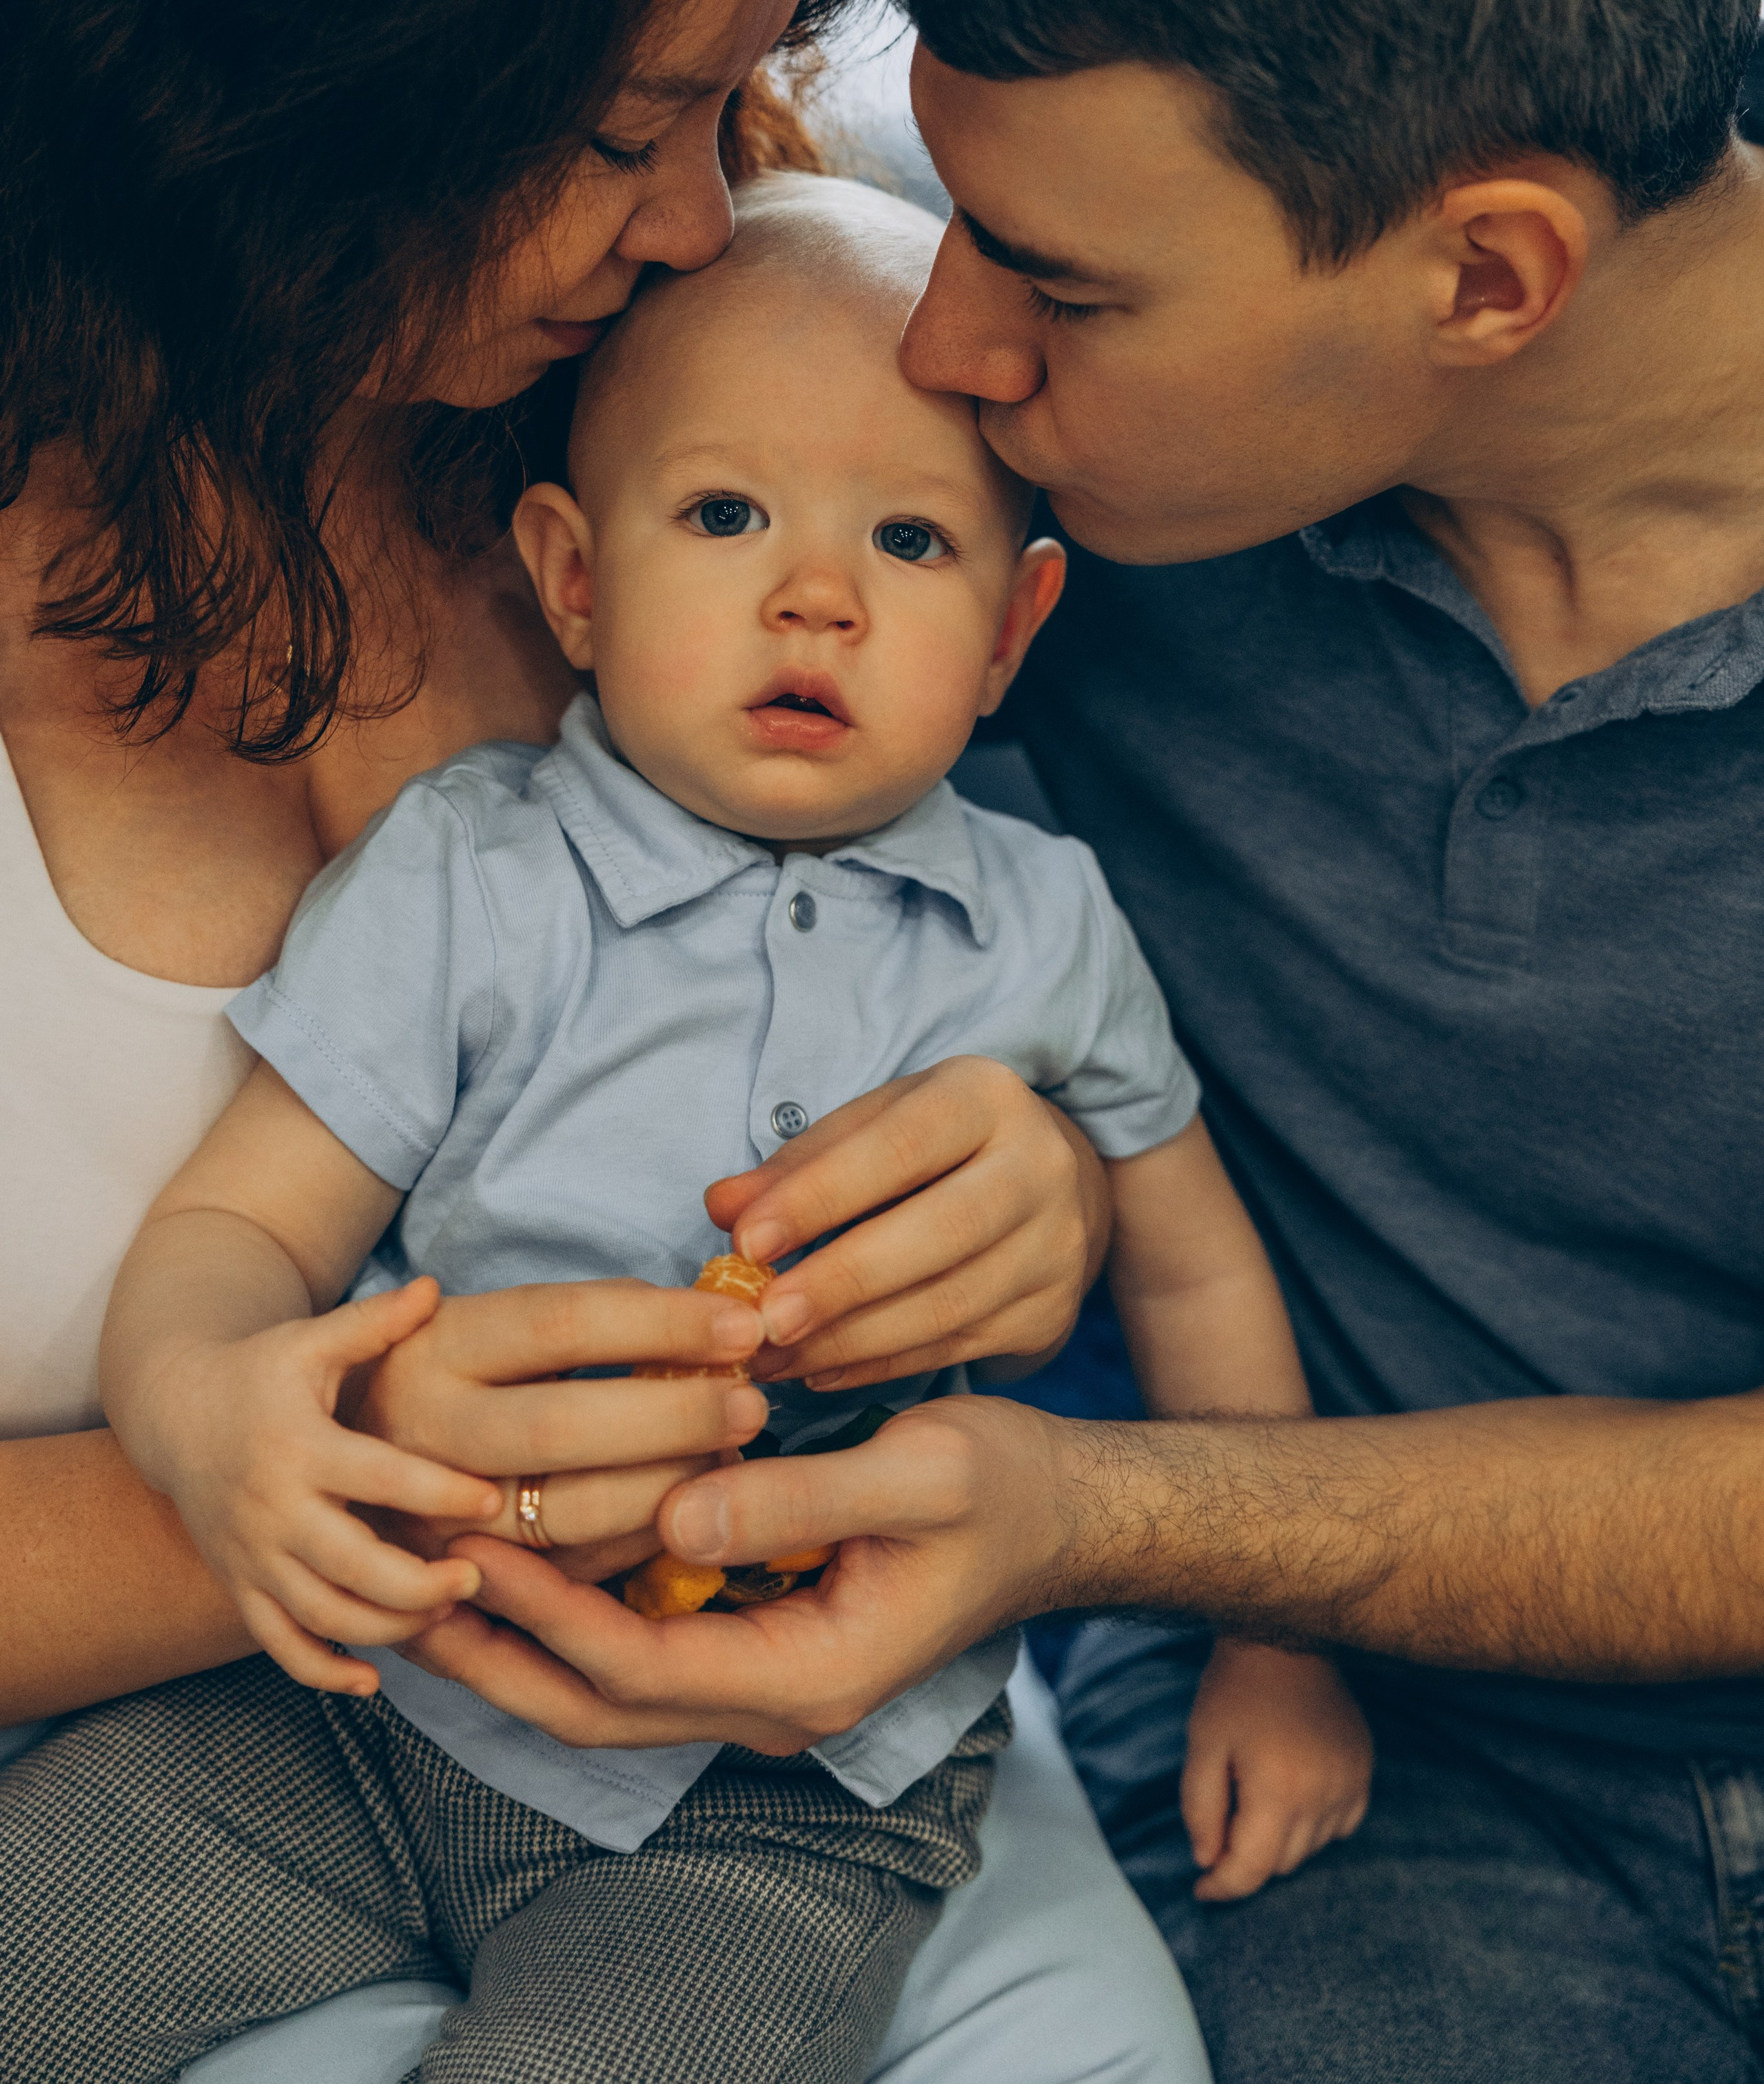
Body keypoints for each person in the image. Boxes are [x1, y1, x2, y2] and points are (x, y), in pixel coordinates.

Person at [379, 0, 1764, 2084]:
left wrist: (1102, 1510)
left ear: (1487, 278)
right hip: (1371, 1793)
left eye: (1067, 294)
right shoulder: (1001, 453)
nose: (952, 354)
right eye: (956, 219)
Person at [0, 0, 1200, 2078]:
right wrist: (330, 1480)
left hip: (807, 1767)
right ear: (286, 61)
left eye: (737, 85)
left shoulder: (702, 387)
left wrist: (1025, 1184)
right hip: (208, 1775)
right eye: (611, 126)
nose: (700, 214)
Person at [1, 173, 1365, 2077]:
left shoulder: (1043, 928)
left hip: (789, 1780)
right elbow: (246, 1229)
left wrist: (1278, 1649)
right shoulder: (472, 869)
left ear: (1013, 630)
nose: (816, 593)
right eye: (725, 515)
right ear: (571, 573)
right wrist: (212, 1412)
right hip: (354, 1694)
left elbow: (1197, 1263)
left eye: (909, 537)